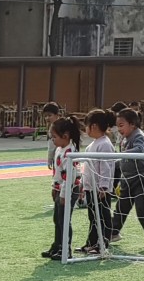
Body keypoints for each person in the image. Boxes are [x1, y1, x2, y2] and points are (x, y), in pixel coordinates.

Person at [109, 107, 144, 249]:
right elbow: (123, 161)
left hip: (143, 179)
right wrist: (113, 163)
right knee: (121, 208)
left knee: (142, 208)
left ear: (132, 124)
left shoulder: (139, 136)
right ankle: (113, 233)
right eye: (117, 126)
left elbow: (139, 150)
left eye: (121, 125)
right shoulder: (124, 139)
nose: (119, 129)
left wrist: (120, 155)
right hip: (127, 180)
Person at [41, 115, 84, 261]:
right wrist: (55, 187)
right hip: (60, 189)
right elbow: (58, 172)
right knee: (57, 219)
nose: (53, 140)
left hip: (69, 190)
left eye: (54, 137)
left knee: (64, 220)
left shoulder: (70, 152)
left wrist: (64, 194)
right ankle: (57, 245)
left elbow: (69, 176)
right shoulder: (60, 149)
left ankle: (66, 249)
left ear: (65, 136)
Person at [78, 110, 118, 254]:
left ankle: (102, 244)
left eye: (87, 126)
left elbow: (106, 167)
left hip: (100, 190)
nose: (86, 129)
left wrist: (103, 186)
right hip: (90, 188)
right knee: (93, 217)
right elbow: (86, 168)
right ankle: (91, 242)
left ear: (93, 126)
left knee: (102, 216)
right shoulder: (92, 145)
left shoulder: (105, 144)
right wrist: (83, 185)